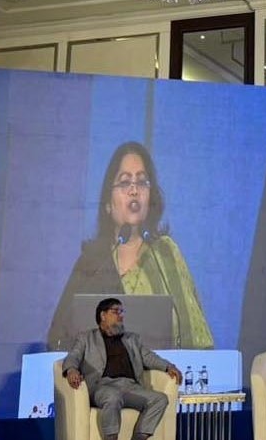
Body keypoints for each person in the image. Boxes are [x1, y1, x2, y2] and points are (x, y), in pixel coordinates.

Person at [47, 141, 213, 351]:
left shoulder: (165, 254)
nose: (134, 190)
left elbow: (196, 337)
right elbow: (58, 338)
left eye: (142, 182)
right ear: (108, 204)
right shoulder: (92, 264)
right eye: (125, 182)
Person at [63, 297, 183, 440]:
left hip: (131, 387)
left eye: (122, 311)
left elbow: (149, 357)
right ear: (103, 315)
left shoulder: (132, 339)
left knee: (160, 399)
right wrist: (71, 369)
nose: (121, 315)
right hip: (102, 387)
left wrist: (168, 366)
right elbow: (73, 356)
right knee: (113, 396)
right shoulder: (87, 338)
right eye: (116, 311)